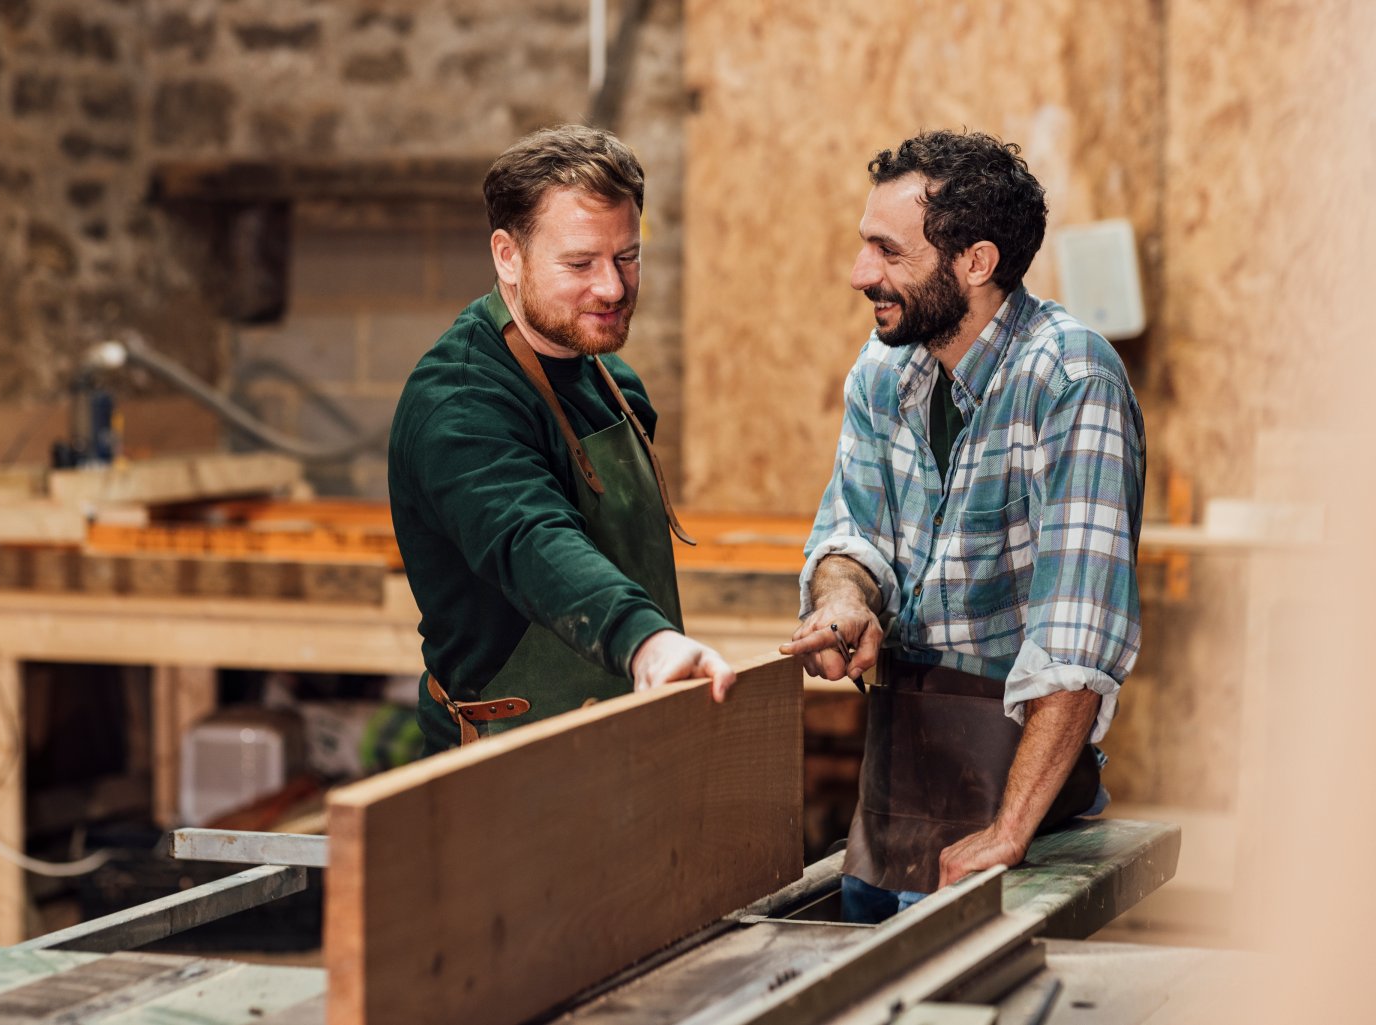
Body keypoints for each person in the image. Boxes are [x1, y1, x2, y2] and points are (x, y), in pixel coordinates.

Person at [780, 130, 1146, 923]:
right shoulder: (885, 371)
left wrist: (1008, 832)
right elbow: (853, 531)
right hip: (895, 798)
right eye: (865, 245)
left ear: (975, 263)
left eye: (888, 251)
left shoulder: (1070, 378)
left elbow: (1075, 642)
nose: (860, 274)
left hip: (1016, 811)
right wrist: (844, 598)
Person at [389, 124, 735, 754]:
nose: (612, 288)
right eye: (580, 263)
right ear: (507, 256)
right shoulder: (460, 402)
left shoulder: (612, 381)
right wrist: (644, 640)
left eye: (627, 257)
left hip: (626, 727)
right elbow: (532, 538)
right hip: (507, 758)